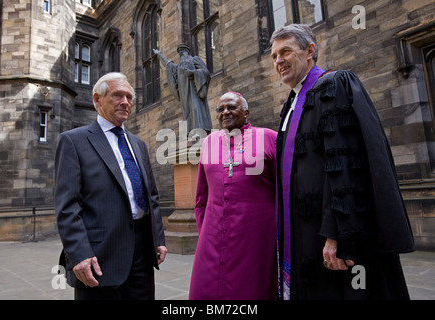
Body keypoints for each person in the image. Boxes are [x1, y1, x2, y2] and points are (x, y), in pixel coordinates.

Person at [271, 24, 415, 300]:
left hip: (331, 236)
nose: (278, 61)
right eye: (274, 56)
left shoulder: (334, 85)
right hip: (304, 233)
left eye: (286, 51)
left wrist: (339, 234)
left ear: (310, 51)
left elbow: (347, 162)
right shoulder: (292, 103)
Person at [55, 72, 167, 300]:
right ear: (97, 99)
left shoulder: (138, 144)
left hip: (143, 254)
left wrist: (159, 238)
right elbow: (68, 206)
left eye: (128, 97)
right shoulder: (74, 141)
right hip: (99, 256)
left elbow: (151, 197)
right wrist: (79, 253)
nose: (125, 102)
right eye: (117, 95)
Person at [189, 91, 277, 300]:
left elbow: (283, 190)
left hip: (256, 239)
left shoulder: (269, 138)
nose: (225, 112)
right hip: (213, 237)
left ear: (246, 112)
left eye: (231, 107)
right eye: (220, 109)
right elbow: (201, 196)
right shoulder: (209, 142)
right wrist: (205, 232)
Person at [154, 43, 212, 133]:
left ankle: (200, 131)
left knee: (196, 109)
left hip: (194, 90)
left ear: (187, 51)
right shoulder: (178, 67)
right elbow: (168, 65)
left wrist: (193, 73)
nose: (181, 52)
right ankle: (191, 132)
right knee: (188, 113)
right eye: (179, 51)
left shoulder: (194, 59)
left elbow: (205, 72)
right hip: (184, 93)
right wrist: (159, 55)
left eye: (183, 50)